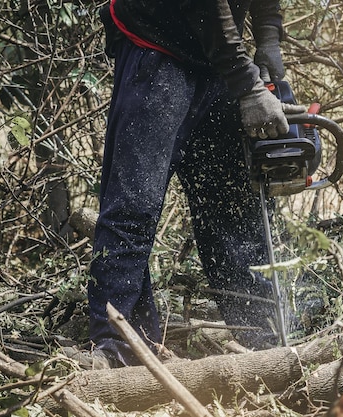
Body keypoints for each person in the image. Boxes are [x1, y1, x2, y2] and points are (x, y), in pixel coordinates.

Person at [83, 0, 302, 368]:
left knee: (234, 210)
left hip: (217, 57)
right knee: (134, 206)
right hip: (156, 42)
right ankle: (117, 349)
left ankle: (263, 338)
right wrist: (247, 84)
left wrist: (268, 38)